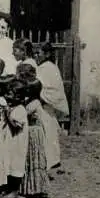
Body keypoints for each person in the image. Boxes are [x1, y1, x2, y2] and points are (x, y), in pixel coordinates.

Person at [34, 42, 69, 170]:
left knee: (48, 133)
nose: (36, 56)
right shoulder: (40, 67)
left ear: (47, 54)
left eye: (38, 53)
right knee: (44, 134)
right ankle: (46, 160)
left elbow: (54, 89)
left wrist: (41, 95)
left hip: (46, 105)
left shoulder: (50, 68)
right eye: (35, 53)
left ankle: (50, 161)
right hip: (40, 105)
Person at [20, 79, 50, 198]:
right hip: (30, 130)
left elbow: (23, 112)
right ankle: (30, 188)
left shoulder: (35, 103)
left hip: (34, 132)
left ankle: (37, 188)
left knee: (34, 157)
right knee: (29, 158)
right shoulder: (30, 101)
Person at [3, 79, 29, 198]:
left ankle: (15, 190)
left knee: (15, 164)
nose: (6, 96)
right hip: (9, 140)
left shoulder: (20, 110)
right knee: (8, 162)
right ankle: (7, 188)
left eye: (9, 94)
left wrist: (8, 116)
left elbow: (16, 127)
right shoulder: (11, 107)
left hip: (17, 141)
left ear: (18, 96)